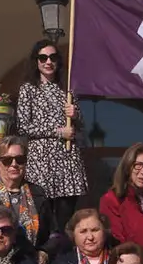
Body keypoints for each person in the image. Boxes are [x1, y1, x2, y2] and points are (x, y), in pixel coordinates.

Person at [16, 39, 89, 230]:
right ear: (36, 61)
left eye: (53, 57)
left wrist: (76, 115)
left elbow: (80, 127)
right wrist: (57, 131)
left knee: (66, 218)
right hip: (41, 162)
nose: (48, 62)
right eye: (43, 57)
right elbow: (23, 126)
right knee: (44, 217)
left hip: (67, 161)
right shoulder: (28, 89)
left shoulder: (67, 90)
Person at [0, 135, 65, 264]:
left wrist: (45, 252)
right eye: (7, 160)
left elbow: (55, 235)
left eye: (20, 160)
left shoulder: (38, 193)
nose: (14, 164)